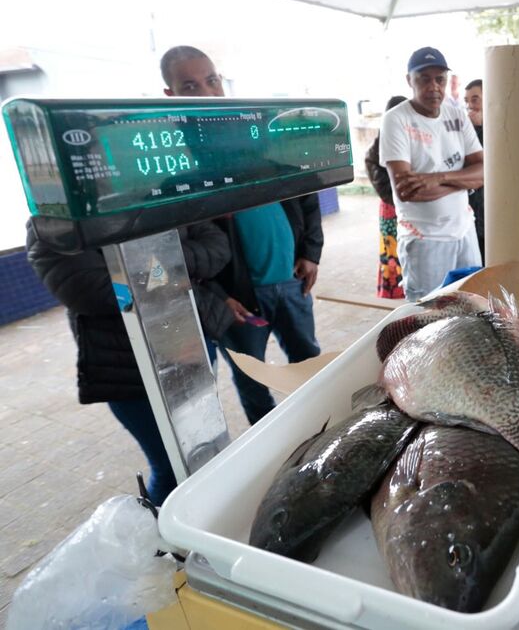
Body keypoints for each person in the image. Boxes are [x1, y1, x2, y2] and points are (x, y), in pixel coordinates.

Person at [161, 45, 323, 425]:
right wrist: (218, 297)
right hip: (239, 301)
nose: (205, 91)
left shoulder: (245, 123)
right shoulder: (177, 168)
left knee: (309, 360)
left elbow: (306, 194)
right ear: (170, 95)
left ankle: (323, 422)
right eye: (190, 85)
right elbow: (177, 253)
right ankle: (271, 447)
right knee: (252, 376)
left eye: (211, 80)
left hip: (291, 282)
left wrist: (311, 252)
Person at [26, 221, 234, 505]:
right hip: (128, 368)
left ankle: (210, 521)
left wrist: (147, 267)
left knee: (206, 450)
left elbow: (217, 247)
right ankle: (158, 540)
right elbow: (93, 290)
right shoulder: (53, 227)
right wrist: (176, 267)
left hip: (190, 348)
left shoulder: (154, 198)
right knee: (170, 466)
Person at [379, 47, 483, 301]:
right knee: (429, 316)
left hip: (464, 231)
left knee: (473, 305)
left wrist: (437, 178)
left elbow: (485, 171)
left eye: (440, 79)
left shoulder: (457, 115)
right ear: (409, 81)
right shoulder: (396, 120)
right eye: (424, 79)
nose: (434, 86)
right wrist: (464, 178)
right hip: (425, 240)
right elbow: (408, 190)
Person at [365, 95, 409, 298]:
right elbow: (382, 185)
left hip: (406, 205)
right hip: (393, 208)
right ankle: (396, 289)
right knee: (394, 249)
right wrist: (403, 199)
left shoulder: (410, 137)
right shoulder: (377, 147)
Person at [464, 78, 486, 263]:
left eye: (475, 99)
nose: (470, 105)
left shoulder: (499, 128)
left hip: (491, 209)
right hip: (469, 207)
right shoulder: (463, 128)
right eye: (467, 101)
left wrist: (482, 128)